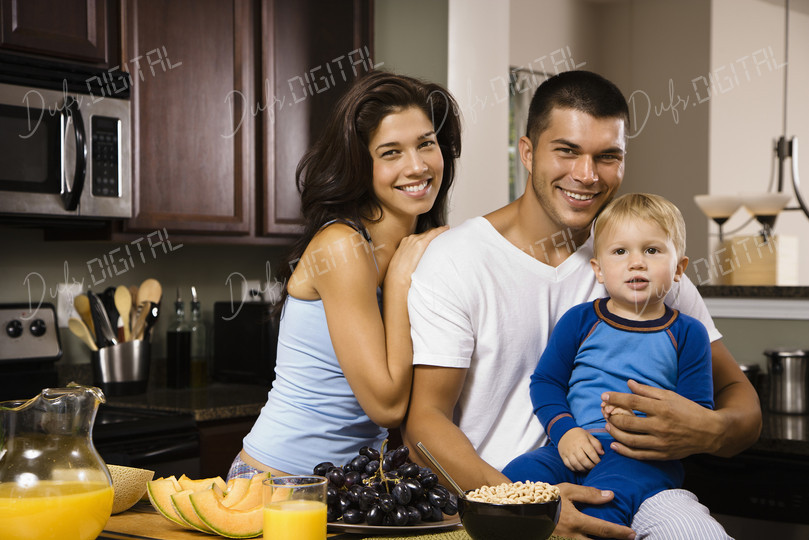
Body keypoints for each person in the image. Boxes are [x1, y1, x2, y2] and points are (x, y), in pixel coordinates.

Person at [403, 70, 761, 540]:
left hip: (642, 487)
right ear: (528, 152)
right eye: (567, 151)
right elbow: (424, 426)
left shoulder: (641, 259)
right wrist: (526, 509)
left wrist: (708, 431)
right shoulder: (458, 260)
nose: (587, 175)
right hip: (503, 491)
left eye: (607, 156)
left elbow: (742, 402)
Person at [226, 71, 461, 479]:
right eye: (391, 153)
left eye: (426, 144)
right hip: (278, 485)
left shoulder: (422, 246)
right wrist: (401, 283)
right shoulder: (343, 246)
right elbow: (386, 406)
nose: (417, 165)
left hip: (351, 488)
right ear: (360, 163)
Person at [502, 192, 715, 530]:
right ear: (598, 270)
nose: (637, 262)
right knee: (515, 480)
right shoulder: (580, 321)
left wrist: (642, 423)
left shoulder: (689, 333)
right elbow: (546, 382)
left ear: (679, 269)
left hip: (643, 459)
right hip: (574, 444)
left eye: (652, 250)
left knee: (603, 504)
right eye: (620, 252)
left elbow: (697, 412)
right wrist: (566, 432)